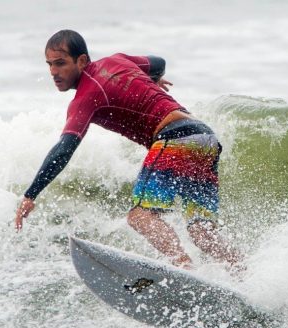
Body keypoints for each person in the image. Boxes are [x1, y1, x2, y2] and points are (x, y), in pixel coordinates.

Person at [14, 29, 240, 269]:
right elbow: (158, 62)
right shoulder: (117, 60)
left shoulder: (84, 98)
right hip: (204, 138)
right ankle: (241, 273)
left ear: (81, 61)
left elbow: (64, 149)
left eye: (60, 63)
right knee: (201, 230)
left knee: (140, 216)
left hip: (175, 138)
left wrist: (31, 194)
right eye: (49, 64)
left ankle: (184, 267)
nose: (53, 72)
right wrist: (152, 77)